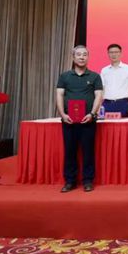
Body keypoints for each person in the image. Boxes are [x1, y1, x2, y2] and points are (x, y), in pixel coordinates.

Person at [55, 45, 103, 193]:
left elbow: (99, 96)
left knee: (88, 152)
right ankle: (70, 181)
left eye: (84, 55)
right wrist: (63, 115)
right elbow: (59, 95)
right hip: (68, 121)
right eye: (79, 54)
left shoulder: (95, 76)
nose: (82, 57)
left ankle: (88, 181)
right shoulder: (64, 76)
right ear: (73, 57)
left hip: (88, 121)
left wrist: (92, 114)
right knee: (70, 152)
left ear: (88, 57)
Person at [100, 44, 128, 117]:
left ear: (120, 53)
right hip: (107, 104)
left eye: (116, 52)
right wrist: (99, 105)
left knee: (123, 124)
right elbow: (102, 89)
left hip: (123, 103)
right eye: (111, 52)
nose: (113, 54)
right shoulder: (104, 70)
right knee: (106, 124)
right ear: (108, 54)